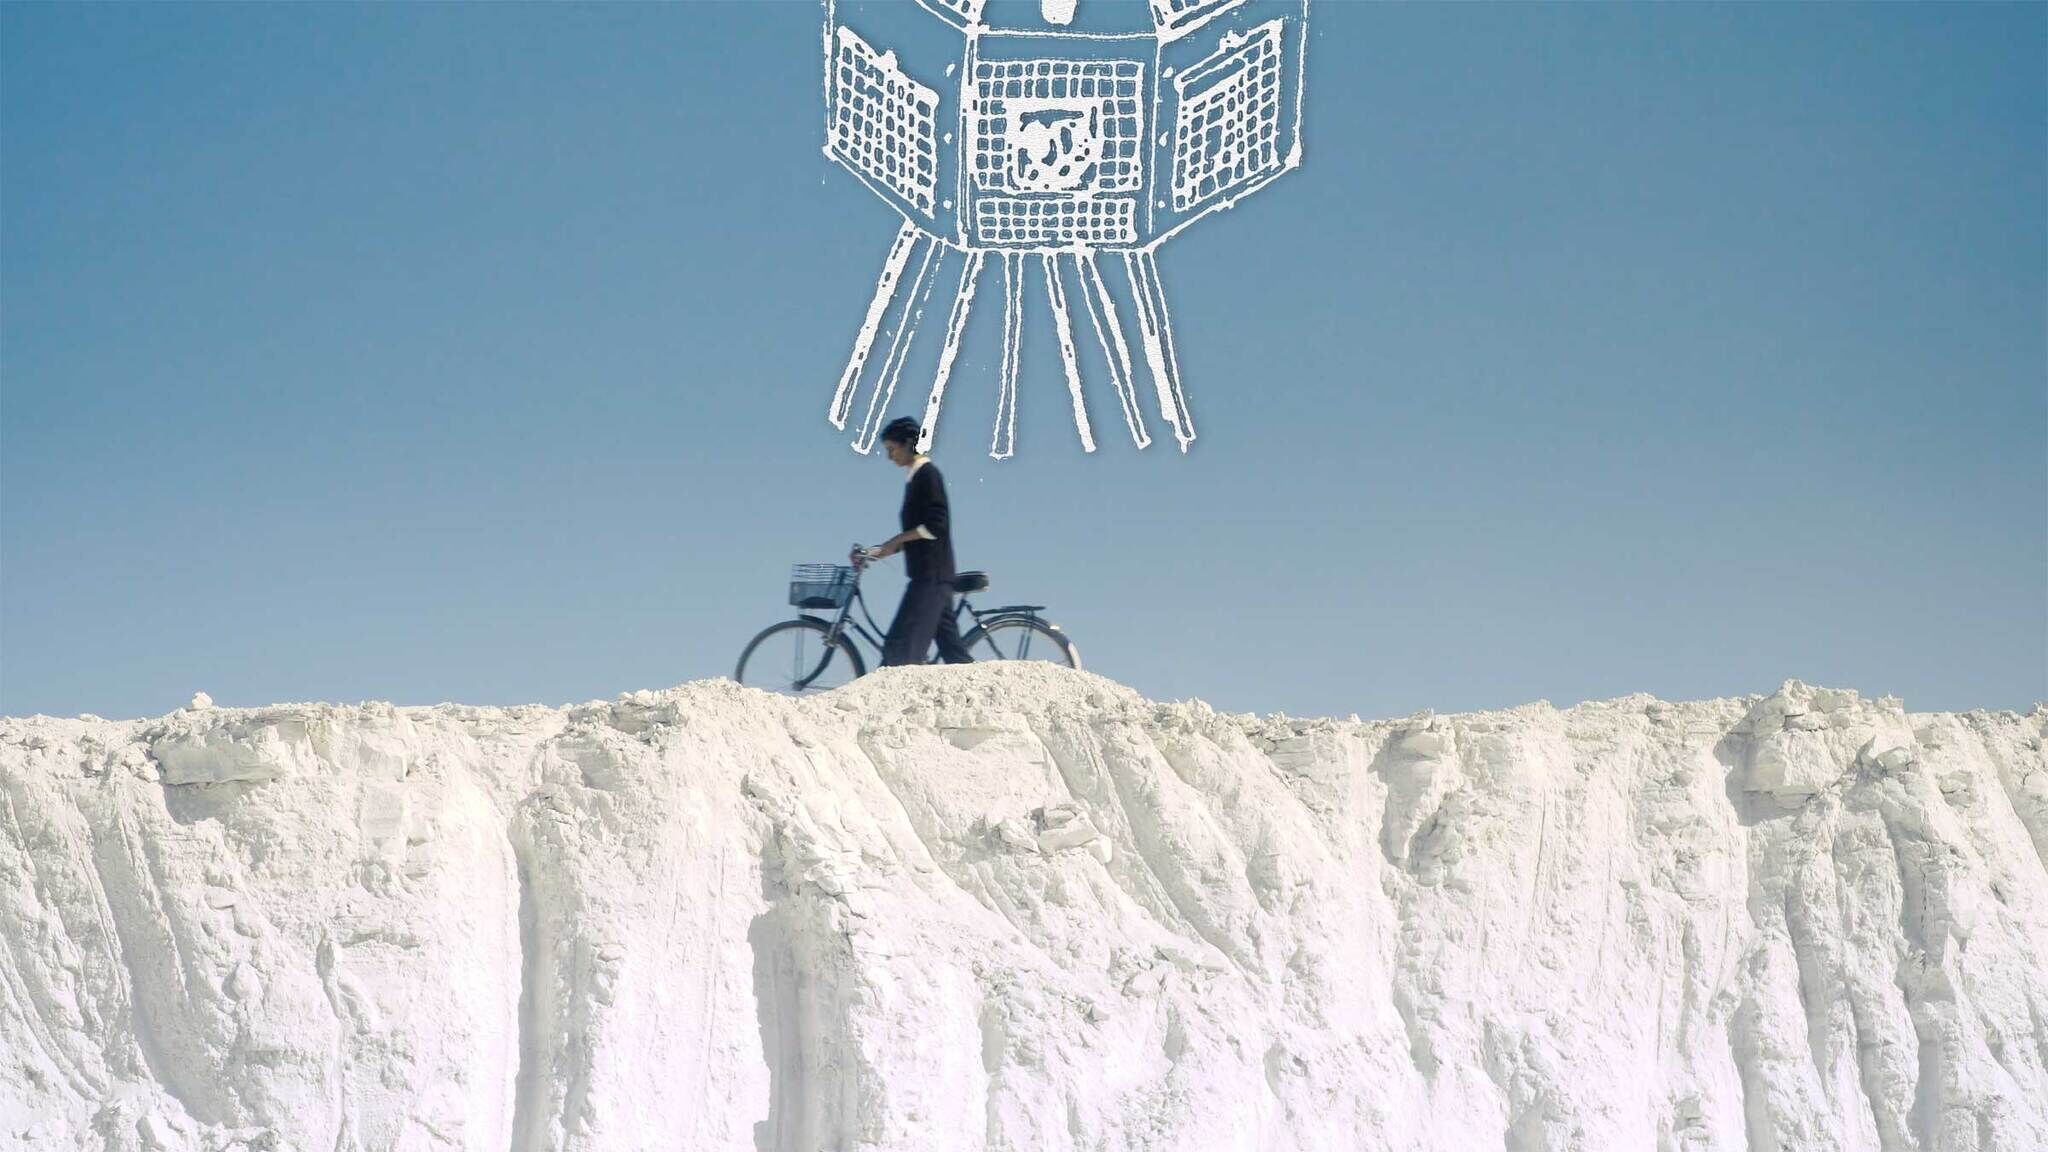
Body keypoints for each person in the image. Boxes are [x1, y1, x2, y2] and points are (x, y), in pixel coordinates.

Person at [856, 417, 974, 667]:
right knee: (955, 657)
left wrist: (896, 539)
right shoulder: (915, 478)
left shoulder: (927, 475)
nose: (889, 457)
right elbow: (915, 534)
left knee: (900, 648)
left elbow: (935, 525)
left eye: (891, 449)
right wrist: (878, 552)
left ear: (908, 444)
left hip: (931, 577)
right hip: (931, 575)